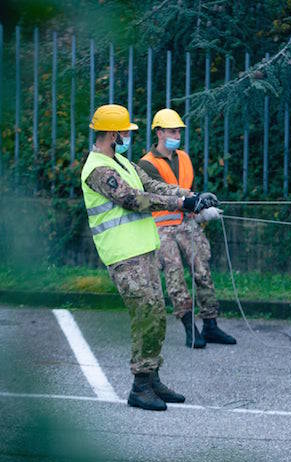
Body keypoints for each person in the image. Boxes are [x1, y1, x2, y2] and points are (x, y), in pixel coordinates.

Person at [80, 104, 216, 411]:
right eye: (127, 132)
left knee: (155, 313)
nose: (129, 136)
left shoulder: (123, 162)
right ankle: (140, 386)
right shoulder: (99, 168)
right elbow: (134, 199)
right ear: (113, 133)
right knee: (146, 315)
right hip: (124, 256)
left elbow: (151, 184)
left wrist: (190, 196)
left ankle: (151, 378)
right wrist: (182, 202)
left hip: (142, 251)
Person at [138, 108, 236, 349]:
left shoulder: (184, 157)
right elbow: (163, 192)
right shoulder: (146, 164)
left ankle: (210, 325)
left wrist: (201, 207)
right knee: (175, 277)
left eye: (179, 131)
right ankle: (190, 329)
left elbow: (187, 190)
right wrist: (195, 202)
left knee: (203, 271)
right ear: (159, 133)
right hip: (162, 228)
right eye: (172, 131)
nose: (177, 135)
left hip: (187, 223)